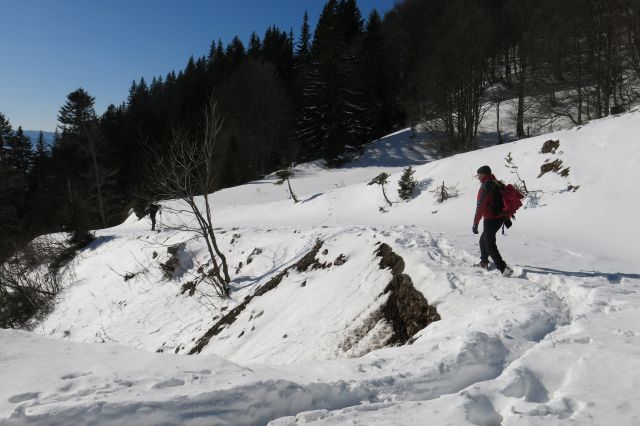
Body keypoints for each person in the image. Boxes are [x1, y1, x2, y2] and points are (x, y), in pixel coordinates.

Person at [472, 165, 513, 276]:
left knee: (489, 244)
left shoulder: (485, 187)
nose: (478, 177)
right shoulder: (497, 183)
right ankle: (484, 262)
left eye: (479, 175)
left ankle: (503, 268)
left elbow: (480, 207)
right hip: (500, 218)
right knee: (483, 240)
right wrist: (507, 218)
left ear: (484, 174)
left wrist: (475, 223)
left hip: (490, 219)